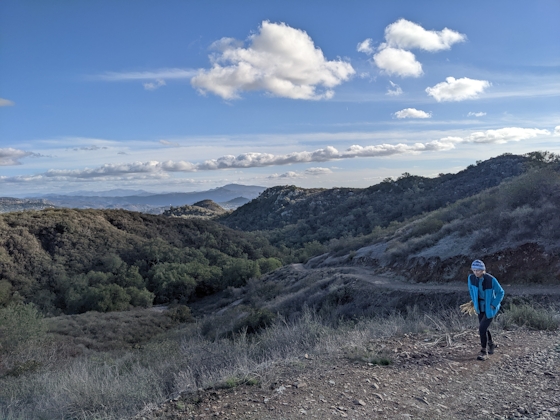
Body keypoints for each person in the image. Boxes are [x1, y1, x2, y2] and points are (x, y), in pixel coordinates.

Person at [467, 259, 505, 361]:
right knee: (484, 328)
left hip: (490, 307)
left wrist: (494, 304)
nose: (476, 272)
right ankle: (491, 344)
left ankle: (484, 351)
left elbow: (501, 292)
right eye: (474, 270)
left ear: (483, 270)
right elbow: (471, 290)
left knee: (482, 329)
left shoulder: (491, 279)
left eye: (478, 270)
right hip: (480, 306)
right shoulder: (471, 278)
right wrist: (474, 301)